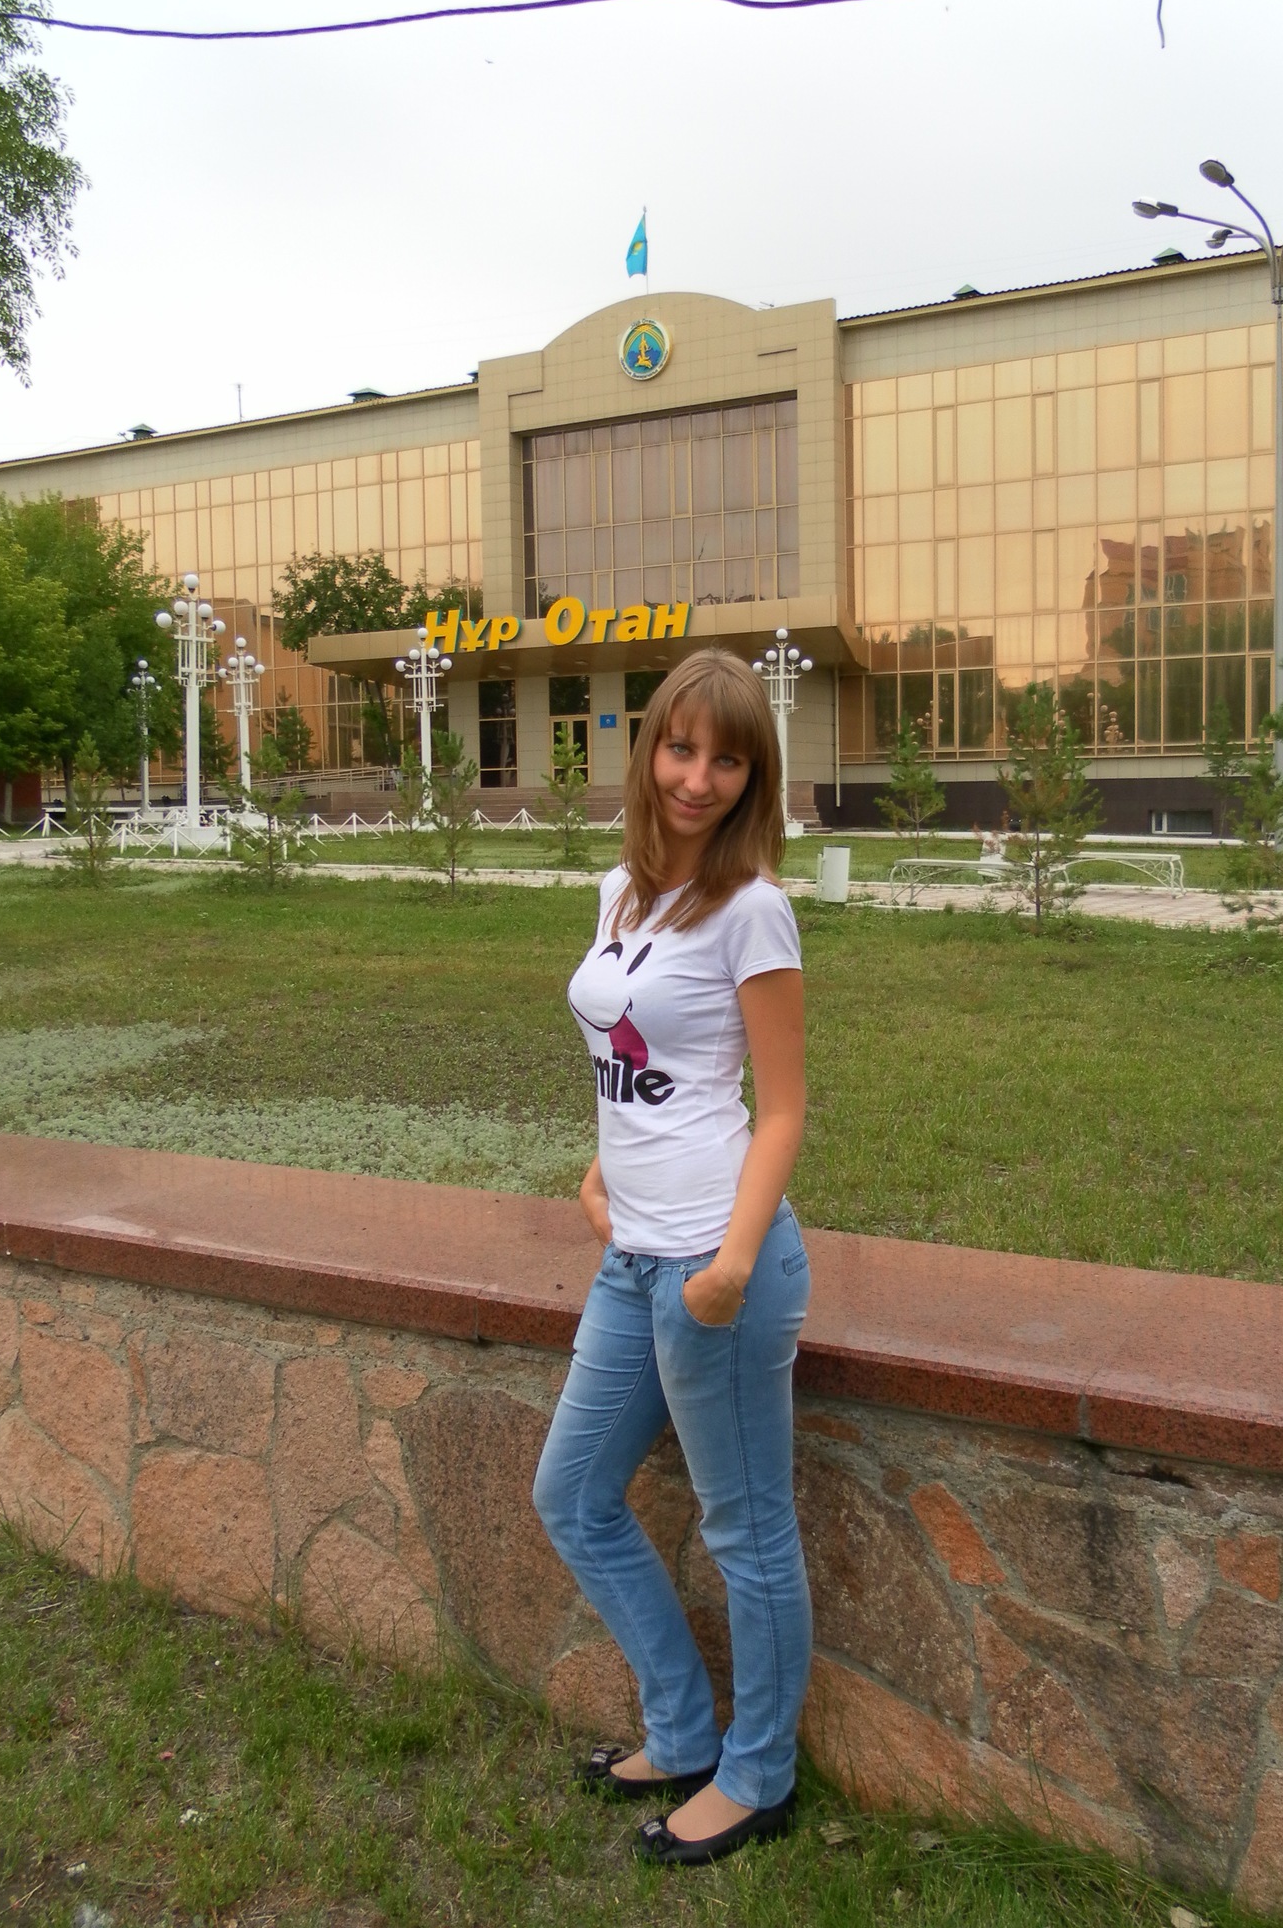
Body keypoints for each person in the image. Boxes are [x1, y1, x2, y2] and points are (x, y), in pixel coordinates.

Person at [532, 647, 811, 1868]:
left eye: (728, 759)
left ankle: (758, 1772)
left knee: (746, 1529)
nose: (698, 778)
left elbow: (783, 1106)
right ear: (648, 750)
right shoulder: (620, 891)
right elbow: (632, 1054)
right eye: (681, 748)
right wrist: (602, 1167)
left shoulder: (754, 908)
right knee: (573, 1494)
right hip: (632, 1251)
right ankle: (685, 1728)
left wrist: (731, 1266)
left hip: (713, 1260)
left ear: (755, 776)